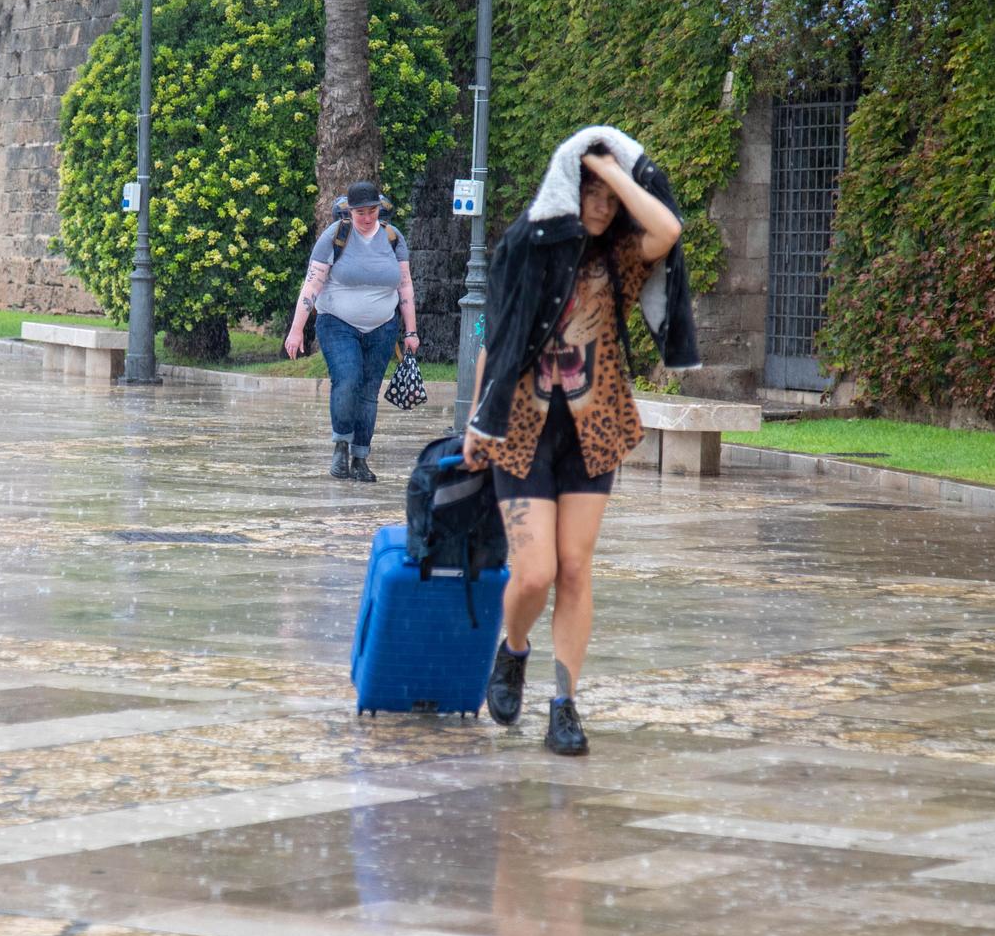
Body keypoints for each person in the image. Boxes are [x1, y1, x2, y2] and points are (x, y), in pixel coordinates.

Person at [460, 127, 690, 756]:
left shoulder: (617, 256)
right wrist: (478, 422)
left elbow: (667, 232)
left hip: (595, 427)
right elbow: (499, 340)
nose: (600, 206)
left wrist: (613, 172)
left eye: (608, 199)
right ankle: (514, 652)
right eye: (588, 192)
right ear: (565, 189)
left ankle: (564, 703)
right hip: (522, 428)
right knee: (534, 574)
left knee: (575, 569)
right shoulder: (524, 247)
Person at [282, 181, 419, 482]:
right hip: (337, 323)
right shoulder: (335, 237)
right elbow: (312, 284)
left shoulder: (394, 238)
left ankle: (360, 458)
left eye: (373, 211)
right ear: (350, 213)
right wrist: (296, 331)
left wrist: (411, 331)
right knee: (347, 380)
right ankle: (341, 445)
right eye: (361, 213)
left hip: (383, 327)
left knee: (369, 391)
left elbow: (405, 284)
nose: (368, 218)